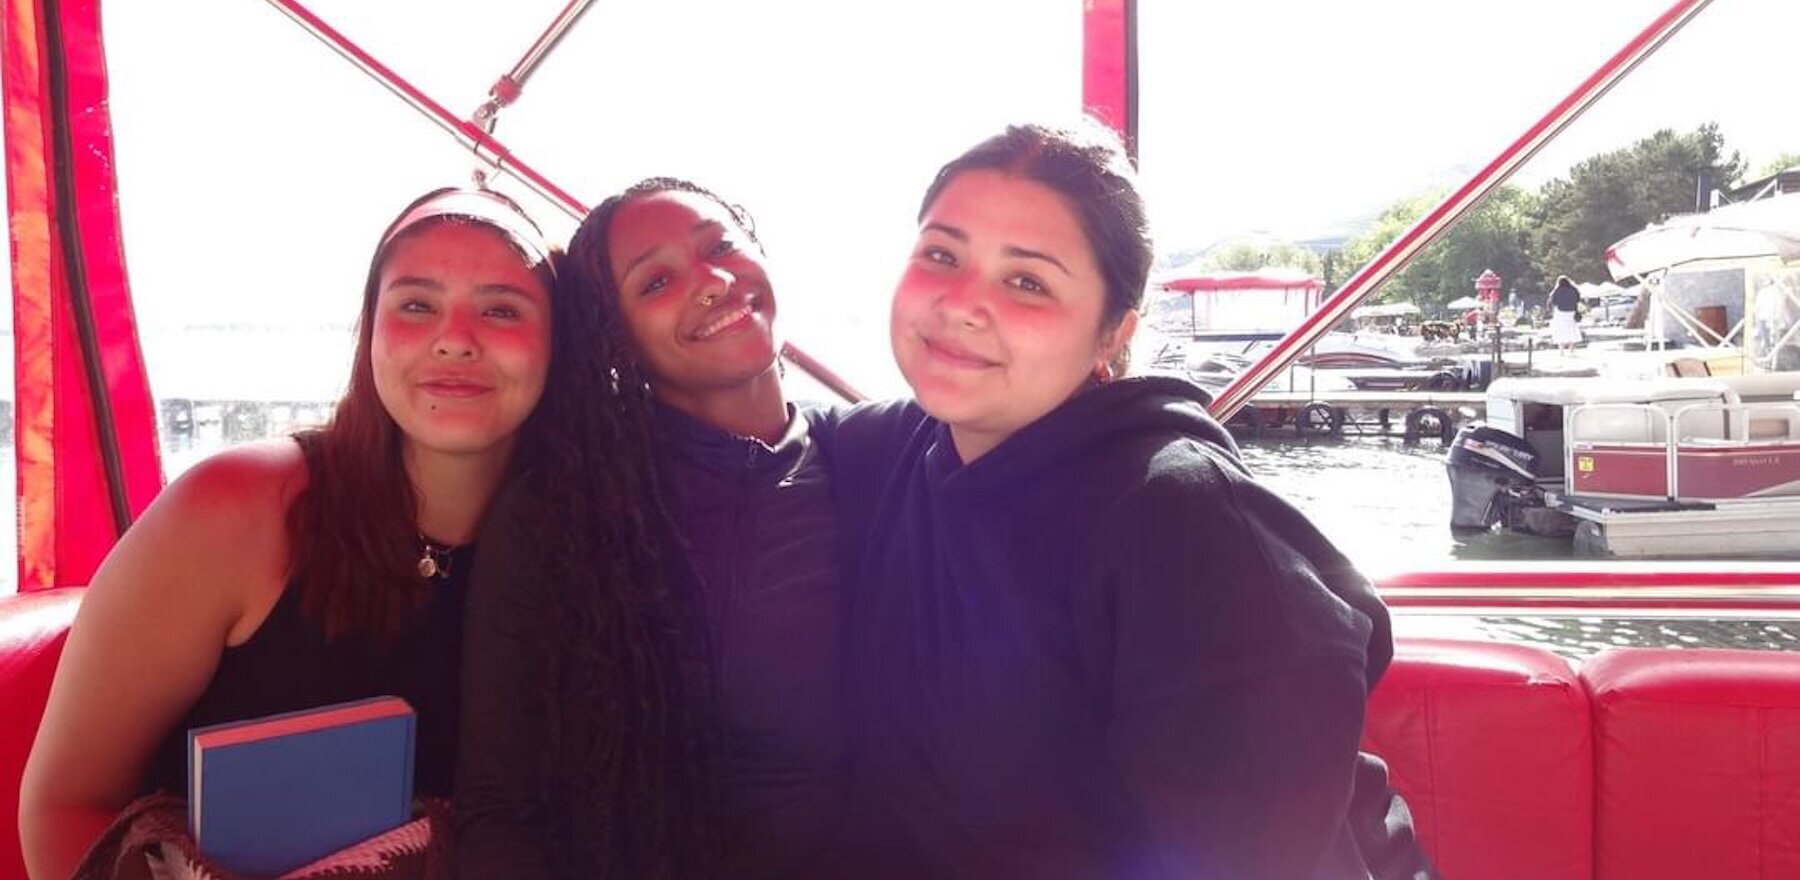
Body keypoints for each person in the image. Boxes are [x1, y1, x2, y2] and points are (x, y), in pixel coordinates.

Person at [812, 123, 1434, 879]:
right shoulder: (894, 450)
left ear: (1113, 334)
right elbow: (747, 435)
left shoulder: (1183, 529)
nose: (961, 304)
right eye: (942, 255)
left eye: (1027, 281)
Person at [18, 188, 564, 880]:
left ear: (559, 343)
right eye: (416, 305)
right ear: (371, 334)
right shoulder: (235, 512)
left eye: (501, 309)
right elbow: (65, 805)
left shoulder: (584, 552)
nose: (455, 337)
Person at [455, 178, 843, 880]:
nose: (712, 282)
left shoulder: (877, 455)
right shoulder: (561, 518)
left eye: (720, 246)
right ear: (616, 341)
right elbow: (499, 811)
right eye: (656, 281)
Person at [1549, 275, 1583, 353]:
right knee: (1571, 331)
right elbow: (1578, 299)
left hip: (1560, 313)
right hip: (1571, 312)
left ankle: (1561, 351)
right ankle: (1571, 350)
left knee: (1560, 331)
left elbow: (1553, 301)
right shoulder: (1574, 290)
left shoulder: (1557, 290)